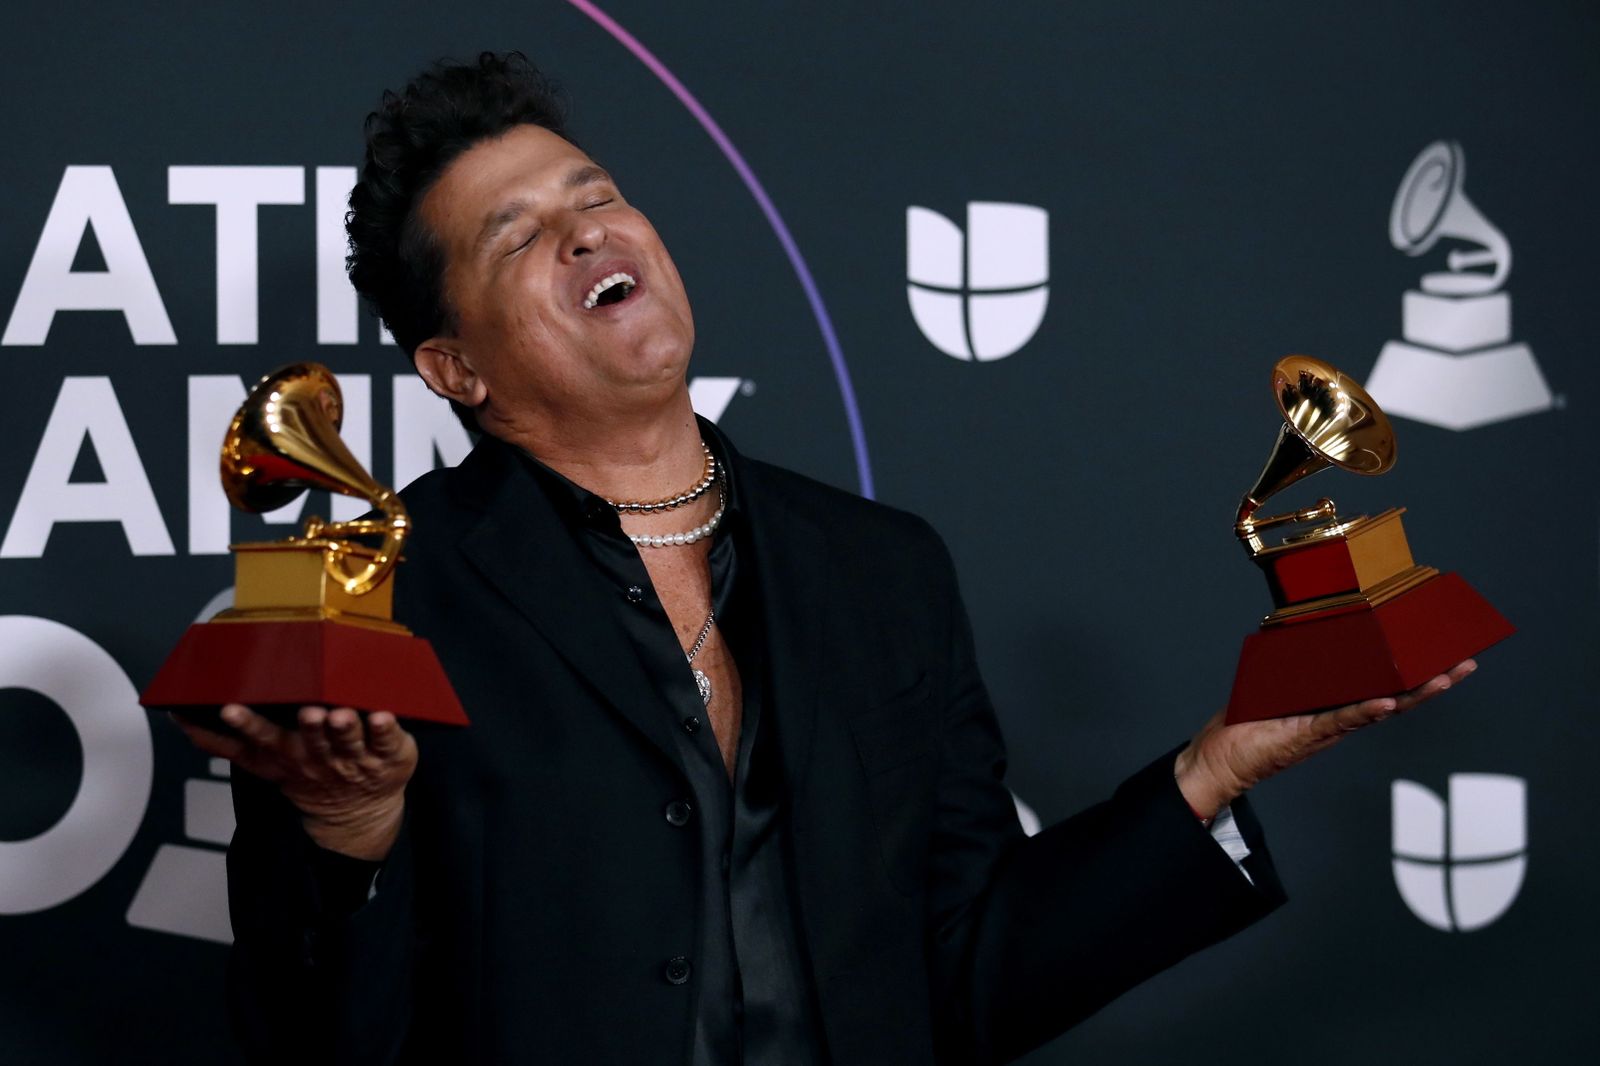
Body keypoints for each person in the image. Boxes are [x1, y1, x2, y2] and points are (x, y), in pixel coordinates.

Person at [173, 52, 1474, 1066]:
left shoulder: (883, 569)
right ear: (454, 367)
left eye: (599, 196)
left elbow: (966, 980)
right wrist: (349, 831)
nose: (585, 233)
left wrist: (1219, 762)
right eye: (517, 237)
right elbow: (311, 1040)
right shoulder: (387, 600)